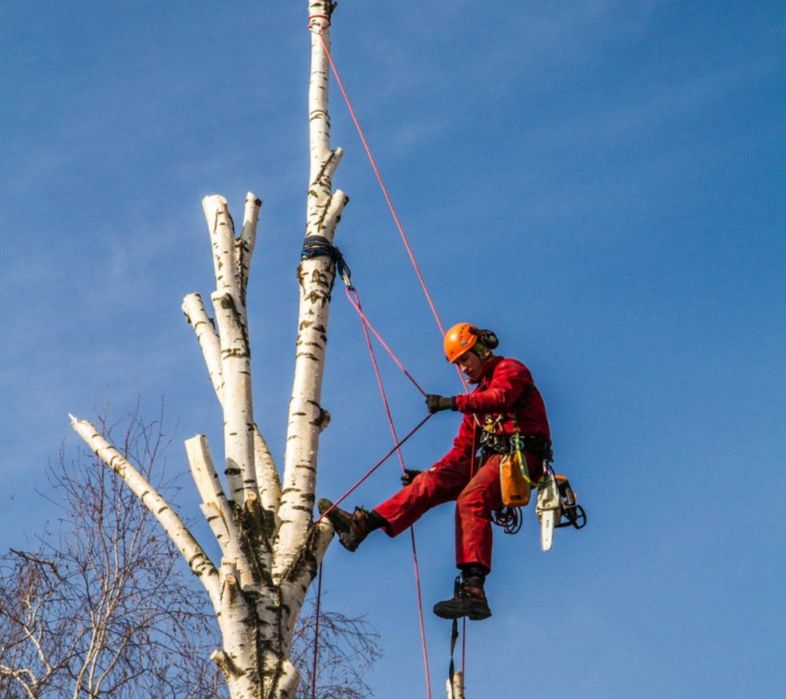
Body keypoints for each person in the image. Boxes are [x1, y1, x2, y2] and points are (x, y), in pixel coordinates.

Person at [318, 322, 551, 621]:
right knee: (430, 482)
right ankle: (364, 525)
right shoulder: (476, 404)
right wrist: (431, 472)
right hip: (493, 460)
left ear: (481, 350)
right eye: (458, 364)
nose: (463, 369)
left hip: (521, 457)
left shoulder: (510, 370)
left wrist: (453, 403)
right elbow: (462, 451)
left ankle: (473, 591)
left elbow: (501, 398)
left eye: (465, 359)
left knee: (471, 499)